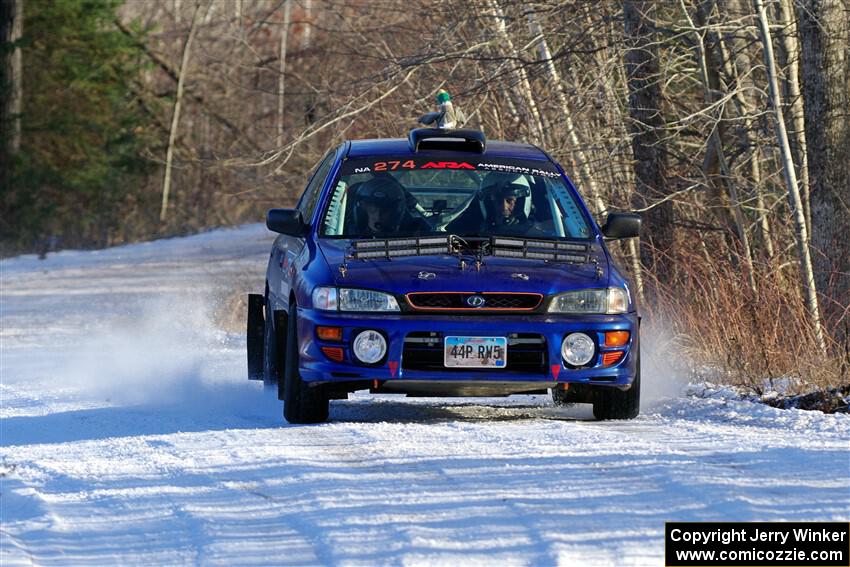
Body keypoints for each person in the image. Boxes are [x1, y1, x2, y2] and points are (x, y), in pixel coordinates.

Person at [446, 172, 536, 236]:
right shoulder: (469, 225)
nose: (504, 207)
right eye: (497, 200)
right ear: (488, 203)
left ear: (521, 203)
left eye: (510, 200)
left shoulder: (534, 232)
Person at [349, 176, 430, 237]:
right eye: (372, 210)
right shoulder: (345, 234)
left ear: (395, 212)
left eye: (385, 210)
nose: (378, 216)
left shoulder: (418, 232)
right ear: (363, 210)